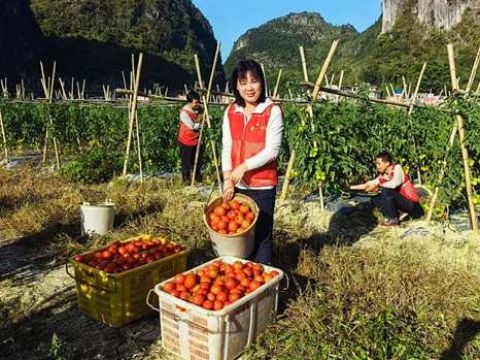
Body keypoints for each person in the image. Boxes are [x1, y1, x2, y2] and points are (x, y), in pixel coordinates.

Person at [221, 59, 284, 264]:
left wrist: (244, 166)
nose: (249, 87)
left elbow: (272, 151)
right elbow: (227, 146)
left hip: (263, 186)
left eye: (254, 81)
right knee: (239, 234)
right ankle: (242, 278)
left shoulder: (271, 111)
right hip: (238, 185)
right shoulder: (231, 111)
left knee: (262, 236)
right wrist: (228, 178)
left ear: (261, 83)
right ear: (236, 86)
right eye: (243, 82)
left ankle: (262, 285)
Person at [350, 151, 424, 226]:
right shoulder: (384, 175)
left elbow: (394, 184)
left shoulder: (397, 168)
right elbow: (368, 184)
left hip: (412, 204)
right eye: (376, 164)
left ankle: (393, 219)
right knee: (375, 197)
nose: (377, 166)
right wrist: (350, 188)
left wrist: (379, 185)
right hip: (402, 203)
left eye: (379, 164)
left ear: (387, 163)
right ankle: (391, 215)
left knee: (386, 191)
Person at [177, 91, 203, 185]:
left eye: (198, 102)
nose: (198, 104)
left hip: (196, 140)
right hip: (186, 140)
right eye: (196, 102)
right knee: (186, 162)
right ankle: (186, 181)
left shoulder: (198, 109)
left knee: (197, 161)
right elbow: (192, 126)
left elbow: (203, 115)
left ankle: (198, 179)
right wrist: (201, 123)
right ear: (190, 102)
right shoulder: (184, 113)